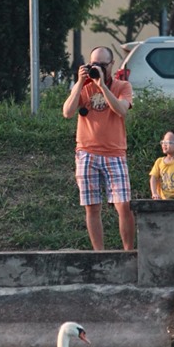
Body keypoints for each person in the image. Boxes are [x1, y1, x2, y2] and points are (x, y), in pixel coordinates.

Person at [62, 46, 135, 250]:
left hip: (115, 153)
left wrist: (102, 85)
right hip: (86, 152)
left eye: (102, 65)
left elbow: (121, 110)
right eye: (94, 64)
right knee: (92, 208)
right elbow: (67, 112)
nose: (98, 68)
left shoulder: (122, 86)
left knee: (124, 206)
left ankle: (128, 252)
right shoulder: (83, 86)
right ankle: (99, 254)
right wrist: (79, 83)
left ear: (111, 65)